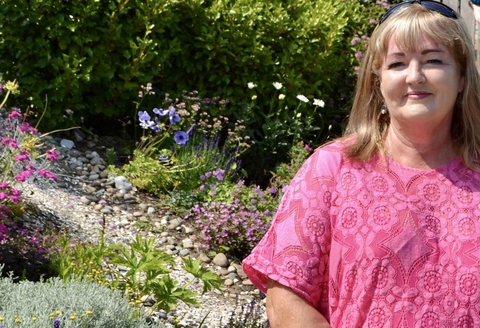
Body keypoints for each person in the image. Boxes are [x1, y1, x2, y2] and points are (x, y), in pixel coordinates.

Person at [242, 1, 480, 327]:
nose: (415, 76)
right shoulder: (332, 170)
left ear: (462, 77)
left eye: (433, 61)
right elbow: (285, 295)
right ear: (378, 81)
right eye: (397, 64)